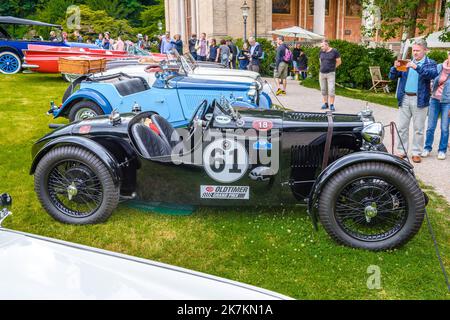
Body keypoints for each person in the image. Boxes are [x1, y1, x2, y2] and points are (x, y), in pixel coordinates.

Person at [389, 39, 438, 163]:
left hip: (420, 99)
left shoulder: (430, 63)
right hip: (405, 97)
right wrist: (394, 68)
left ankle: (416, 152)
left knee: (419, 128)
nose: (415, 53)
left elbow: (431, 74)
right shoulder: (406, 63)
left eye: (417, 50)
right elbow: (392, 77)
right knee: (402, 127)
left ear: (425, 50)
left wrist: (416, 67)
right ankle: (401, 151)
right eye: (413, 50)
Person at [422, 51, 450, 160]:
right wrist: (431, 86)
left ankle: (442, 150)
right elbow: (431, 78)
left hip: (447, 102)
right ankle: (427, 148)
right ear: (448, 56)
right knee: (430, 127)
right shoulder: (439, 67)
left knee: (444, 127)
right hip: (434, 100)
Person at [319, 39, 341, 111]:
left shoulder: (334, 51)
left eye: (322, 46)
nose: (321, 48)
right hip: (322, 73)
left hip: (330, 73)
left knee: (331, 89)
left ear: (327, 45)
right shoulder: (321, 51)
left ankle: (331, 105)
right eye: (321, 46)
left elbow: (339, 61)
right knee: (323, 89)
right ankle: (326, 104)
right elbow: (320, 60)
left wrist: (333, 68)